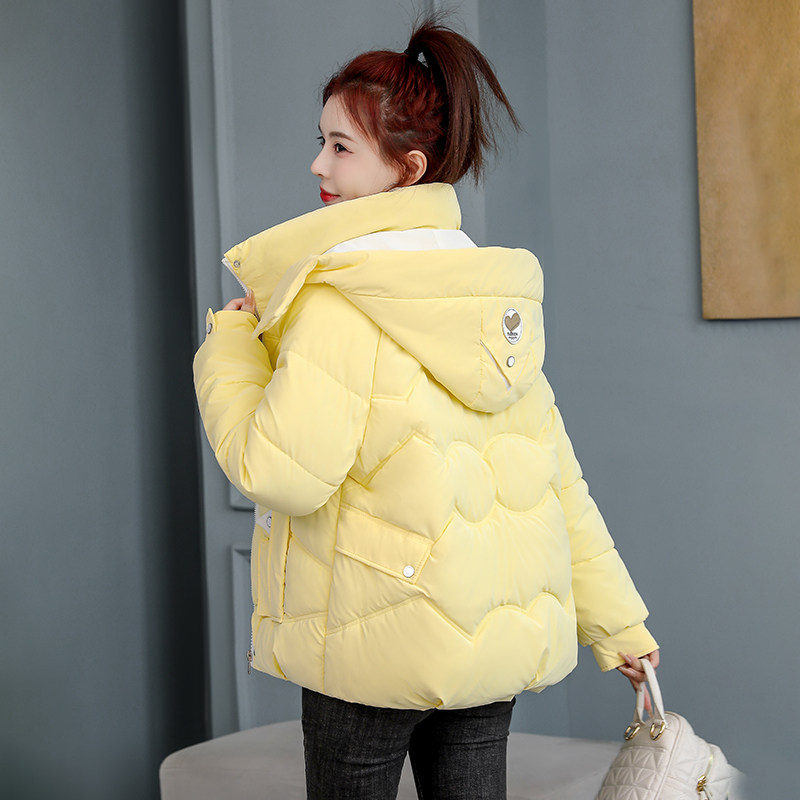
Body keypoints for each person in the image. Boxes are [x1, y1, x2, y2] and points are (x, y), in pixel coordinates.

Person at [194, 15, 659, 800]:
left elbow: (279, 472)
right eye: (322, 140)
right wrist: (621, 626)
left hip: (370, 647)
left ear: (407, 168)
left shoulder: (339, 302)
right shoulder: (494, 302)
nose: (317, 163)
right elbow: (555, 483)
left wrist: (233, 345)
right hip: (485, 647)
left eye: (341, 146)